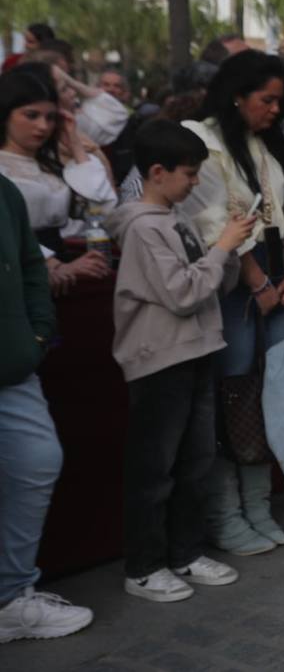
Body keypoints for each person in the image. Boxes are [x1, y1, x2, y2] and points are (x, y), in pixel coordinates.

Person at [109, 121, 255, 602]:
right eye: (189, 174)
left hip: (197, 350)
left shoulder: (178, 218)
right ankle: (145, 566)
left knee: (197, 461)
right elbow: (183, 292)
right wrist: (222, 249)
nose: (195, 183)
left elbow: (213, 282)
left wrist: (231, 252)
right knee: (156, 468)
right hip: (159, 359)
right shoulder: (142, 229)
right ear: (157, 172)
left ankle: (185, 553)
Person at [180, 52, 284, 551]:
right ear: (237, 95)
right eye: (267, 100)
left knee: (269, 393)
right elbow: (216, 224)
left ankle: (258, 506)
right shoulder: (202, 139)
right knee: (232, 395)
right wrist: (259, 285)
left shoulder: (271, 141)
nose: (276, 110)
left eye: (281, 101)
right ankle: (226, 515)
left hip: (276, 276)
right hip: (232, 284)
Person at [0, 172, 94, 643]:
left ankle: (10, 597)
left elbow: (30, 266)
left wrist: (35, 333)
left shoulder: (5, 191)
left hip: (12, 363)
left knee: (38, 459)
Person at [0, 69, 115, 288]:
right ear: (6, 114)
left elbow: (103, 209)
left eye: (51, 117)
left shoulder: (52, 167)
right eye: (31, 115)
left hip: (64, 270)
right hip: (19, 275)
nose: (43, 126)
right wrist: (52, 265)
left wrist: (75, 144)